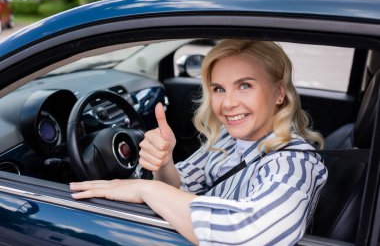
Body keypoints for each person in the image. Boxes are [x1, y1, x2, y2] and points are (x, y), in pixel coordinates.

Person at [70, 39, 328, 246]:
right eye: (218, 89)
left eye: (245, 86)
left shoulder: (294, 164)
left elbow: (251, 235)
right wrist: (163, 162)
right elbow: (181, 185)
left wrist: (145, 189)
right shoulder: (227, 140)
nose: (227, 104)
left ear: (279, 93)